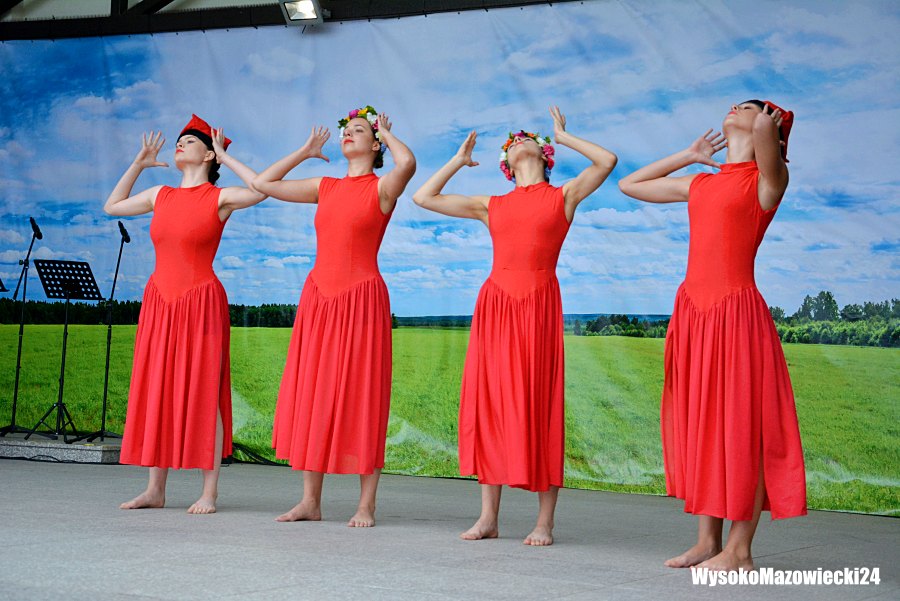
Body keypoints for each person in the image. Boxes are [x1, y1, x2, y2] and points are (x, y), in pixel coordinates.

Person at [412, 107, 616, 546]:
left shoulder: (564, 196)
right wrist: (457, 161)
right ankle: (488, 517)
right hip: (496, 306)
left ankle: (544, 522)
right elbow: (423, 197)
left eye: (529, 140)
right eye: (511, 143)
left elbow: (607, 161)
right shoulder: (492, 204)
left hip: (537, 306)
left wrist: (564, 135)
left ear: (545, 155)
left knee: (539, 403)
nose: (518, 140)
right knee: (490, 403)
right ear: (506, 164)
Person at [618, 100, 807, 571]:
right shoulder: (702, 183)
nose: (736, 107)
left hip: (735, 315)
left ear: (770, 127)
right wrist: (689, 155)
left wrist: (767, 123)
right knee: (702, 425)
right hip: (694, 315)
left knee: (742, 429)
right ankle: (707, 541)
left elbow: (764, 136)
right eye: (735, 104)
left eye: (749, 106)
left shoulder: (768, 180)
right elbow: (630, 184)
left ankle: (739, 550)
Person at [254, 106, 416, 527]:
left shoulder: (382, 188)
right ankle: (310, 501)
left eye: (358, 130)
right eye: (347, 129)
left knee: (363, 394)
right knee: (314, 391)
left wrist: (384, 131)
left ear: (375, 144)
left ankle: (366, 505)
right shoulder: (324, 186)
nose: (348, 134)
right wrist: (304, 152)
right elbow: (263, 183)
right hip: (319, 299)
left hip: (361, 300)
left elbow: (407, 163)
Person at [105, 114, 267, 514]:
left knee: (204, 390)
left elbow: (261, 189)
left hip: (200, 302)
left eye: (189, 141)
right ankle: (154, 489)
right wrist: (139, 163)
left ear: (208, 154)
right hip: (160, 301)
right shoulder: (159, 194)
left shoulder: (220, 198)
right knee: (158, 387)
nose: (179, 144)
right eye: (179, 140)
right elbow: (112, 206)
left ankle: (209, 491)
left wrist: (226, 158)